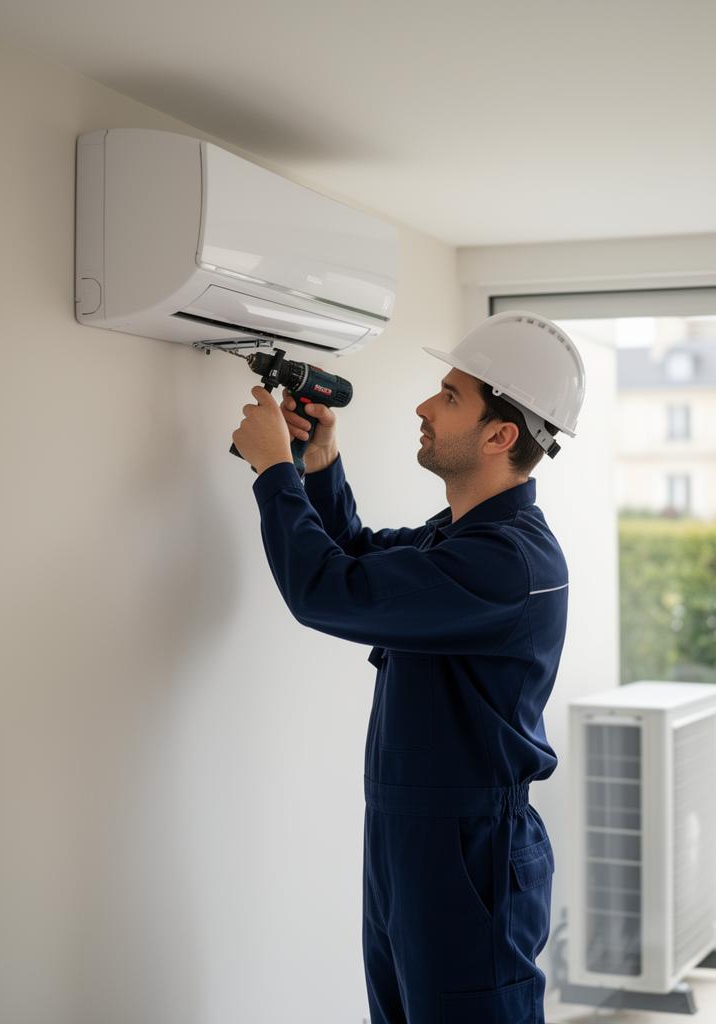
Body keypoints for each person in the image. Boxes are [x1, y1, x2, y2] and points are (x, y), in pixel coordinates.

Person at [231, 310, 586, 1023]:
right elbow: (356, 556)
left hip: (467, 854)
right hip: (413, 840)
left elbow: (325, 591)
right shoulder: (463, 539)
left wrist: (274, 471)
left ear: (500, 435)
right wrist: (319, 464)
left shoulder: (507, 562)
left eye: (450, 396)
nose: (425, 406)